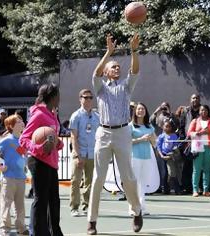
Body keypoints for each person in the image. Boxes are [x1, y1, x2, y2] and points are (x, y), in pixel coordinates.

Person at [87, 33, 143, 235]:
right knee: (98, 178)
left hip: (122, 132)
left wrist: (134, 51)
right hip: (103, 133)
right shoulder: (100, 87)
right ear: (107, 71)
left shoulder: (126, 86)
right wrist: (108, 52)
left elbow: (135, 71)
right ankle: (92, 221)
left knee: (128, 177)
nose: (117, 68)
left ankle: (136, 211)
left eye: (118, 66)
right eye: (113, 66)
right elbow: (95, 74)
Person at [19, 83, 64, 236]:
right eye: (58, 94)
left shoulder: (53, 114)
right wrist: (38, 148)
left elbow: (52, 137)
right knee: (41, 199)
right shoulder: (38, 114)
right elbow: (23, 139)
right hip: (38, 161)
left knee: (54, 200)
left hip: (51, 162)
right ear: (52, 96)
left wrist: (58, 143)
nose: (60, 98)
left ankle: (54, 231)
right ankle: (38, 232)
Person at [0, 114, 29, 236]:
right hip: (8, 178)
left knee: (20, 206)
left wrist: (24, 166)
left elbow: (21, 155)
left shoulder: (21, 140)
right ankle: (4, 230)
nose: (22, 122)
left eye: (22, 120)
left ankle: (21, 228)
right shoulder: (7, 140)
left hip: (21, 178)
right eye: (18, 121)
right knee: (6, 204)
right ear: (11, 126)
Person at [69, 89, 99, 217]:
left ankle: (86, 206)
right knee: (75, 181)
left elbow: (100, 136)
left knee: (90, 181)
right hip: (79, 152)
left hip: (92, 153)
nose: (88, 100)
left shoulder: (97, 116)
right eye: (85, 97)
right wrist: (78, 155)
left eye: (90, 97)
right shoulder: (76, 115)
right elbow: (73, 137)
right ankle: (74, 207)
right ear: (80, 99)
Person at [130, 102, 157, 215]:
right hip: (134, 157)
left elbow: (154, 143)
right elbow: (127, 142)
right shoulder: (130, 126)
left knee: (142, 183)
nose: (141, 111)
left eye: (143, 109)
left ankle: (142, 207)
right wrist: (140, 139)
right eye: (139, 109)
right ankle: (133, 208)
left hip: (146, 157)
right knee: (134, 183)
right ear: (135, 111)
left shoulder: (149, 127)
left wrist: (151, 139)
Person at [187, 105, 210, 197]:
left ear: (208, 111)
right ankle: (195, 190)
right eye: (201, 110)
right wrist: (197, 133)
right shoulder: (195, 121)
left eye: (205, 110)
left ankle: (206, 190)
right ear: (199, 112)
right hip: (198, 147)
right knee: (196, 169)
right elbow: (189, 133)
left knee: (207, 169)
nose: (203, 112)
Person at [178, 94, 201, 194]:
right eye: (193, 98)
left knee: (198, 166)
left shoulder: (203, 111)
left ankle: (198, 188)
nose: (195, 100)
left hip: (200, 142)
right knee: (187, 166)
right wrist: (184, 141)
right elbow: (181, 127)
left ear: (199, 100)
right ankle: (186, 187)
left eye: (197, 98)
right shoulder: (185, 112)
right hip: (187, 143)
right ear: (190, 100)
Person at [157, 119, 183, 195]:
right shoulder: (161, 136)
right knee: (164, 173)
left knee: (172, 173)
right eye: (166, 126)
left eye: (169, 126)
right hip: (162, 156)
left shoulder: (174, 136)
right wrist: (161, 155)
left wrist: (172, 154)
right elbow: (158, 147)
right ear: (163, 127)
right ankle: (165, 189)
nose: (167, 128)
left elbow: (175, 146)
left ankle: (177, 189)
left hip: (170, 156)